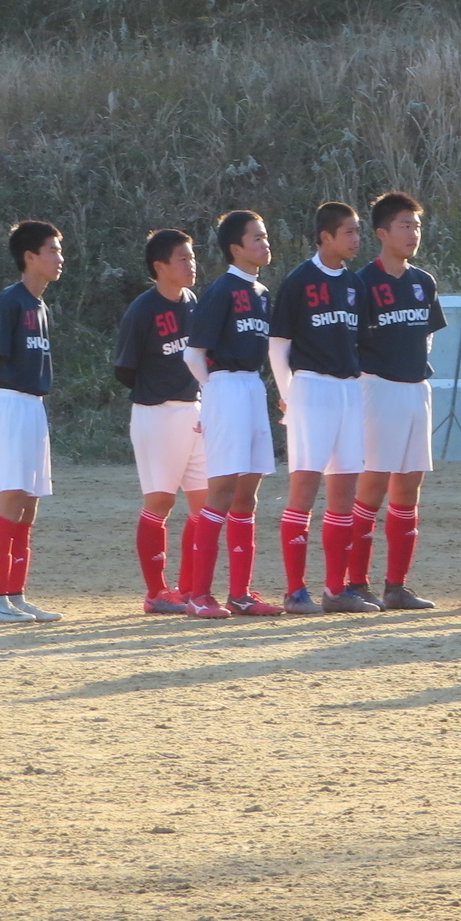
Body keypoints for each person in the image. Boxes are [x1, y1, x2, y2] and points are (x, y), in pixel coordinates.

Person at [269, 201, 368, 614]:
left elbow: (361, 341)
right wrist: (289, 394)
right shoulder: (299, 281)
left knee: (344, 489)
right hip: (311, 387)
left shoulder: (355, 285)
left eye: (358, 231)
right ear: (325, 236)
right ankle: (295, 591)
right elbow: (278, 346)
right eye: (348, 232)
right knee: (306, 486)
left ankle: (336, 589)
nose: (355, 239)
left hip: (348, 390)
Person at [352, 191, 447, 611]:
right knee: (372, 485)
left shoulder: (423, 281)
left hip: (415, 388)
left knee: (409, 487)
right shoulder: (362, 283)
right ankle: (356, 582)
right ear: (382, 233)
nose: (413, 233)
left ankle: (397, 585)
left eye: (418, 226)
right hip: (377, 388)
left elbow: (428, 334)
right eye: (405, 226)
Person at [184, 209, 282, 619]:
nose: (264, 244)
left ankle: (240, 593)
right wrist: (215, 393)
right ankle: (198, 595)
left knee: (247, 495)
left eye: (265, 236)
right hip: (225, 386)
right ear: (235, 247)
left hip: (251, 386)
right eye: (256, 238)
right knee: (221, 490)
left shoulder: (261, 292)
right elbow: (193, 353)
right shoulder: (221, 290)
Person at [0, 219, 65, 624]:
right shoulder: (9, 302)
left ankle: (15, 595)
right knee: (10, 498)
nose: (59, 258)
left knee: (28, 504)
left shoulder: (40, 305)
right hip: (8, 405)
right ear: (30, 257)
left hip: (33, 407)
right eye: (53, 250)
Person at [113, 228, 208, 615]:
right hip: (156, 412)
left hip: (195, 411)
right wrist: (158, 392)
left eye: (192, 257)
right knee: (161, 501)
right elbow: (125, 369)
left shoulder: (193, 303)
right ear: (160, 267)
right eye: (183, 259)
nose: (191, 265)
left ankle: (186, 588)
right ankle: (156, 592)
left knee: (204, 505)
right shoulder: (143, 309)